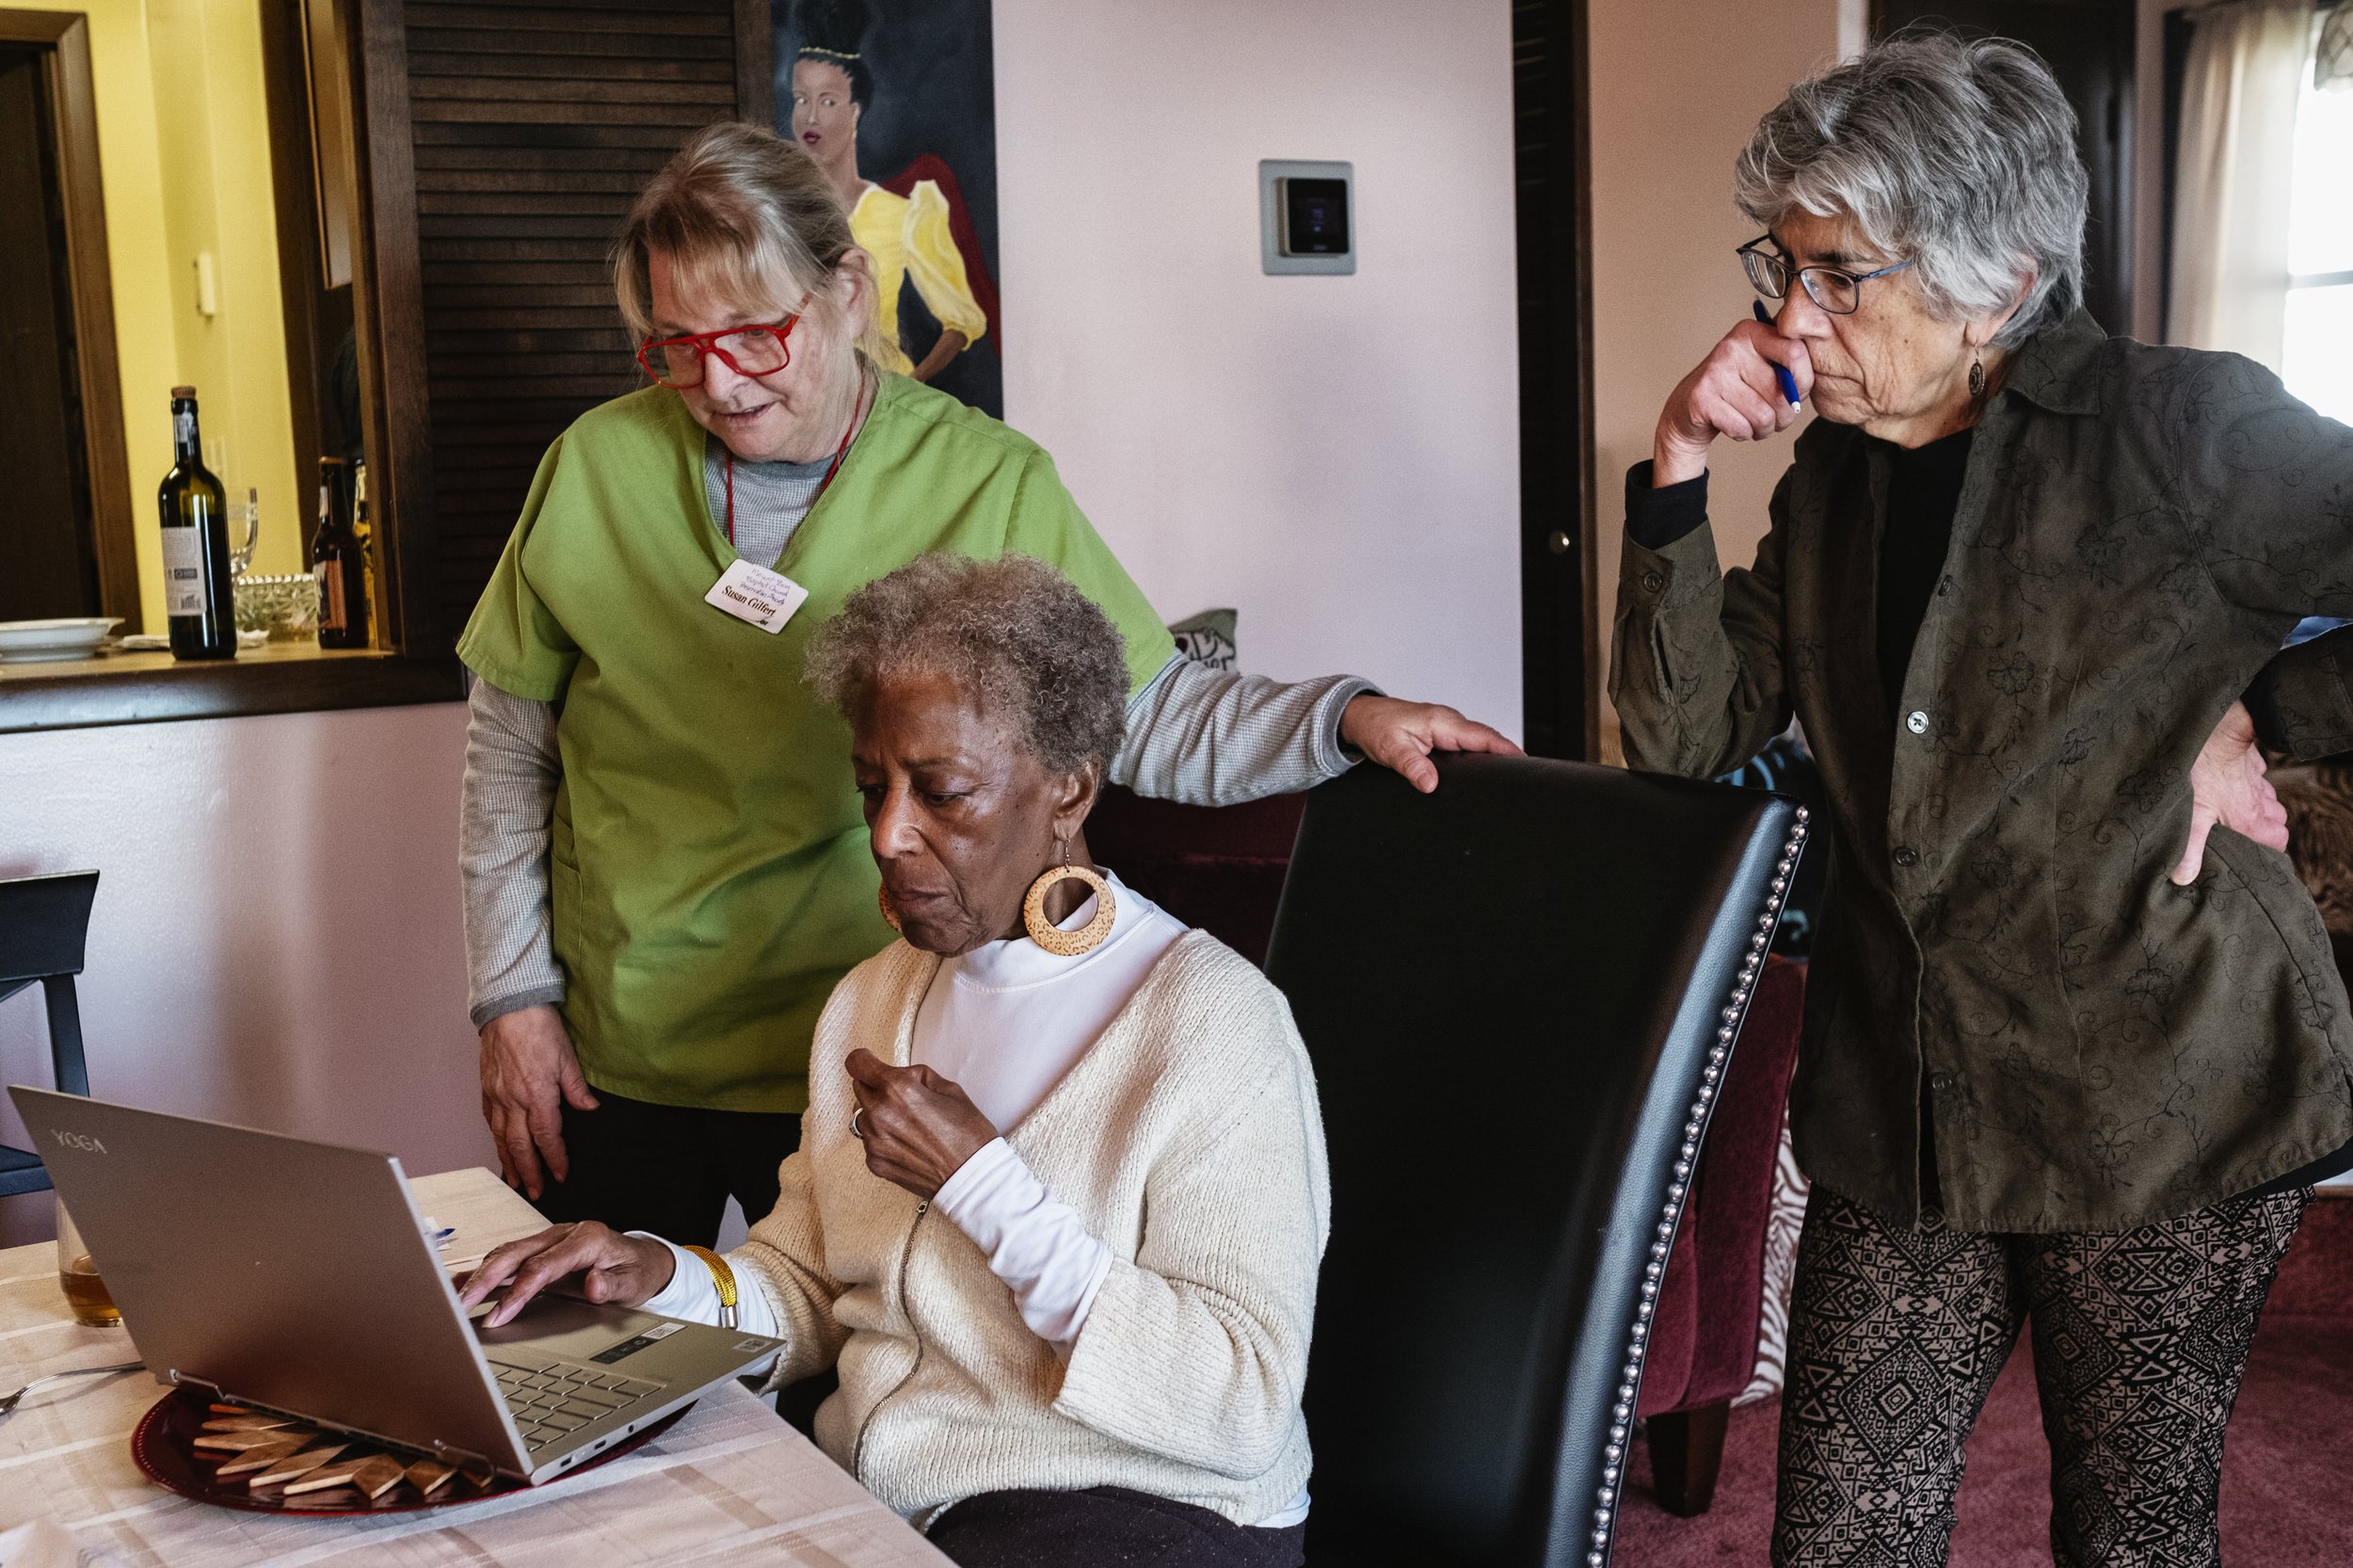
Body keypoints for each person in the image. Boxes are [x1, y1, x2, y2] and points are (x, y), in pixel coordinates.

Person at [457, 120, 1508, 1251]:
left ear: (848, 293)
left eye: (756, 336)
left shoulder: (986, 483)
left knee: (836, 1406)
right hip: (623, 1043)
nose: (716, 380)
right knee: (595, 1388)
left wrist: (1342, 716)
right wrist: (513, 999)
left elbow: (1142, 709)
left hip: (868, 1033)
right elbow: (508, 755)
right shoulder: (592, 467)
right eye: (675, 344)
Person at [1609, 36, 2353, 1568]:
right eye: (1783, 266)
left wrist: (2250, 712)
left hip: (2159, 1105)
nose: (1787, 316)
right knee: (1840, 1538)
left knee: (2131, 1538)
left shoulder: (2182, 432)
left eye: (1839, 275)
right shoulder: (1832, 480)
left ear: (1998, 280)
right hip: (1908, 1102)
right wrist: (1674, 464)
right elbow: (1688, 737)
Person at [463, 554, 1325, 1568]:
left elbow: (1242, 1403)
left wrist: (983, 1184)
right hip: (897, 1498)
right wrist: (656, 1278)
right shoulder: (876, 999)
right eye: (873, 786)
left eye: (943, 792)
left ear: (1070, 786)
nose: (888, 832)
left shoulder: (1213, 1024)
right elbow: (809, 1285)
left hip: (1134, 1509)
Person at [792, 0, 986, 385]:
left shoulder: (904, 213)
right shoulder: (783, 216)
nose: (811, 117)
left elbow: (961, 321)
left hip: (877, 396)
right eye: (801, 99)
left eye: (828, 101)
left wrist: (907, 389)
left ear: (856, 111)